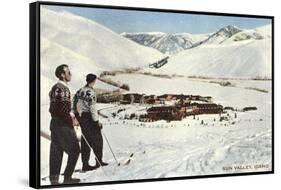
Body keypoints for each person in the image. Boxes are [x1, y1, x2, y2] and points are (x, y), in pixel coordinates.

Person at [48, 64, 80, 185]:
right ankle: (67, 178)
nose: (70, 74)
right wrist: (73, 120)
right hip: (63, 125)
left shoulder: (54, 88)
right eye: (68, 72)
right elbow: (64, 111)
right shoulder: (64, 89)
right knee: (75, 150)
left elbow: (53, 109)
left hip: (54, 123)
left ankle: (54, 182)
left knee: (56, 151)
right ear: (62, 74)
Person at [73, 73, 108, 172]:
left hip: (82, 117)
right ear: (94, 81)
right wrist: (97, 122)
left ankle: (85, 164)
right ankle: (99, 161)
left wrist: (77, 115)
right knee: (98, 140)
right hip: (89, 118)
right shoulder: (91, 92)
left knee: (86, 141)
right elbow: (93, 109)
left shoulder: (80, 91)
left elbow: (74, 102)